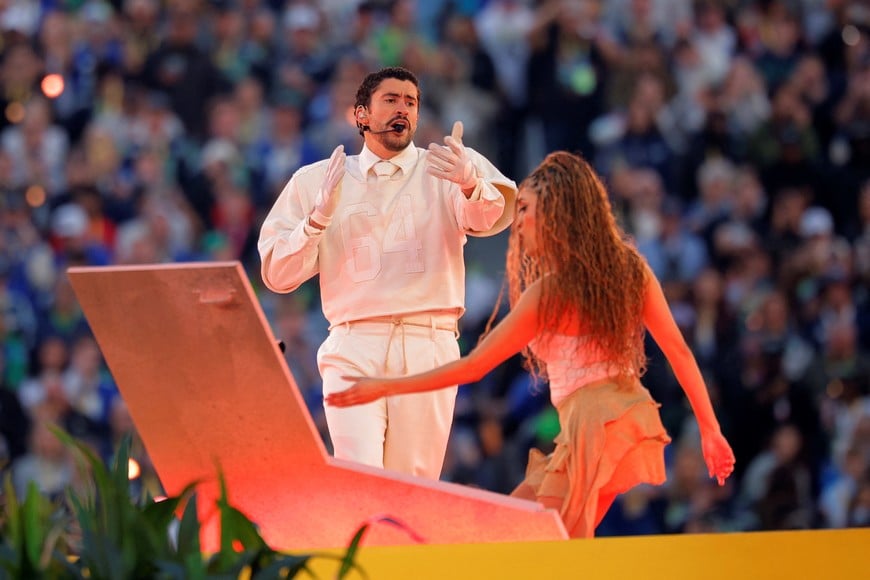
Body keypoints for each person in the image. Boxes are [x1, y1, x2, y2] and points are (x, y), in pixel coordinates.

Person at [326, 151, 735, 538]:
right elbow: (679, 352)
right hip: (619, 420)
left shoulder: (550, 293)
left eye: (525, 209)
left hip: (594, 429)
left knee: (537, 543)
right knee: (523, 534)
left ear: (557, 215)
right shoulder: (631, 271)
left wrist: (383, 386)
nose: (518, 222)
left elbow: (473, 367)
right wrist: (709, 430)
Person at [258, 66, 516, 479]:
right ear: (361, 115)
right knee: (359, 479)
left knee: (414, 483)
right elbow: (276, 274)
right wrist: (316, 220)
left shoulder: (449, 165)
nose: (403, 110)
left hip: (427, 341)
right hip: (353, 342)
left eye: (411, 102)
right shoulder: (316, 180)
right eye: (391, 100)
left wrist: (470, 185)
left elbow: (489, 218)